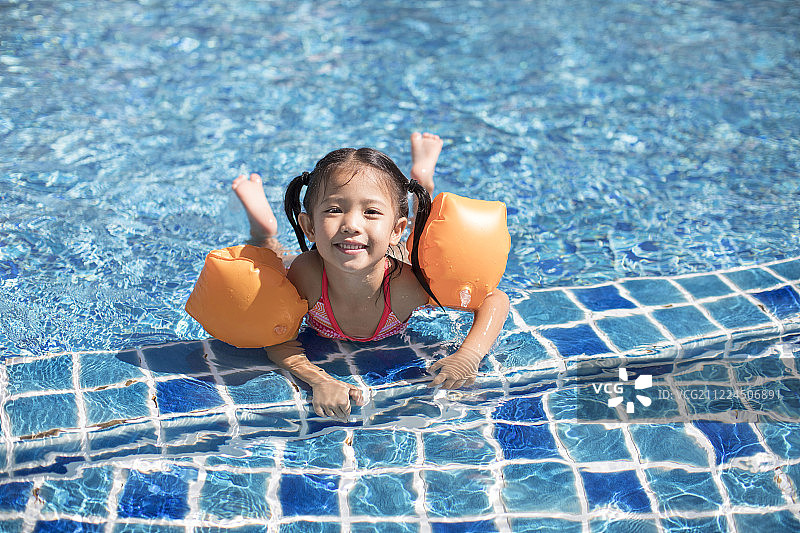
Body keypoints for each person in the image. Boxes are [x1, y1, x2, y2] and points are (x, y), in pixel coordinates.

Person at [231, 133, 510, 420]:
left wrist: (469, 356)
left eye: (371, 211)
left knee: (423, 242)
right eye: (334, 210)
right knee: (271, 259)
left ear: (395, 230)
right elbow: (274, 334)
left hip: (396, 257)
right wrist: (318, 380)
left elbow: (494, 300)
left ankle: (422, 180)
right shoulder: (306, 277)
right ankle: (265, 229)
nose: (351, 224)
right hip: (331, 258)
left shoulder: (407, 287)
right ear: (309, 226)